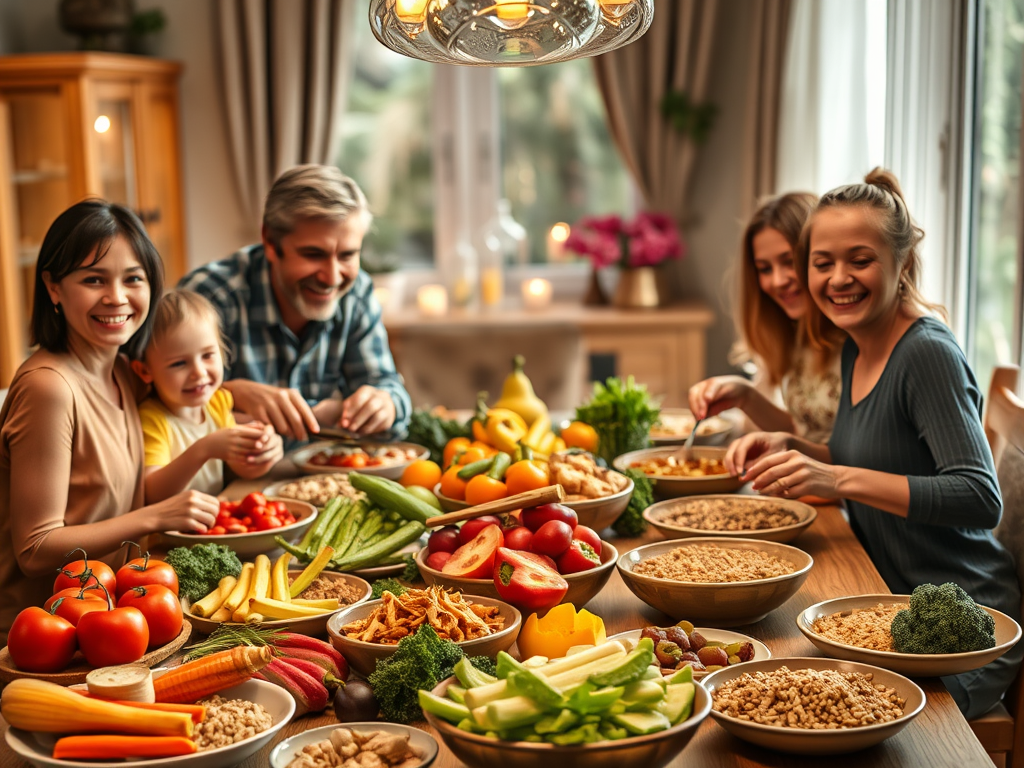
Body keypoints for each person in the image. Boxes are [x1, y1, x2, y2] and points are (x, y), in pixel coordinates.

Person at [727, 169, 1022, 719]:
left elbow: (980, 496)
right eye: (823, 262)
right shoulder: (856, 343)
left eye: (859, 260)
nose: (839, 279)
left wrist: (835, 479)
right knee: (758, 678)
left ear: (901, 262)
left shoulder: (925, 352)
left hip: (956, 630)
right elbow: (869, 460)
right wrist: (790, 444)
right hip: (884, 602)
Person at [0, 201, 219, 642]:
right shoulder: (50, 389)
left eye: (133, 279)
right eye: (94, 279)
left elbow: (180, 388)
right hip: (45, 638)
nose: (117, 297)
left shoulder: (119, 368)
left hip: (115, 619)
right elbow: (36, 550)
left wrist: (251, 394)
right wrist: (153, 516)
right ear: (54, 287)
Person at [178, 165, 411, 443]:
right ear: (270, 242)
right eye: (313, 254)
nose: (332, 277)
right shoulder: (208, 298)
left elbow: (388, 389)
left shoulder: (356, 292)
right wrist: (230, 394)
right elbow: (162, 415)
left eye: (347, 255)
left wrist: (385, 404)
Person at [688, 192, 843, 443]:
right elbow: (802, 434)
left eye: (789, 261)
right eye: (764, 269)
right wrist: (745, 396)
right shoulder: (791, 336)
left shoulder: (855, 339)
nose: (778, 281)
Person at [129, 290, 284, 502]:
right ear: (145, 371)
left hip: (215, 522)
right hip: (172, 532)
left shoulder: (217, 403)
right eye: (179, 363)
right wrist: (204, 449)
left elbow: (241, 469)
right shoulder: (152, 419)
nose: (199, 372)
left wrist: (262, 452)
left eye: (208, 355)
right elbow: (154, 493)